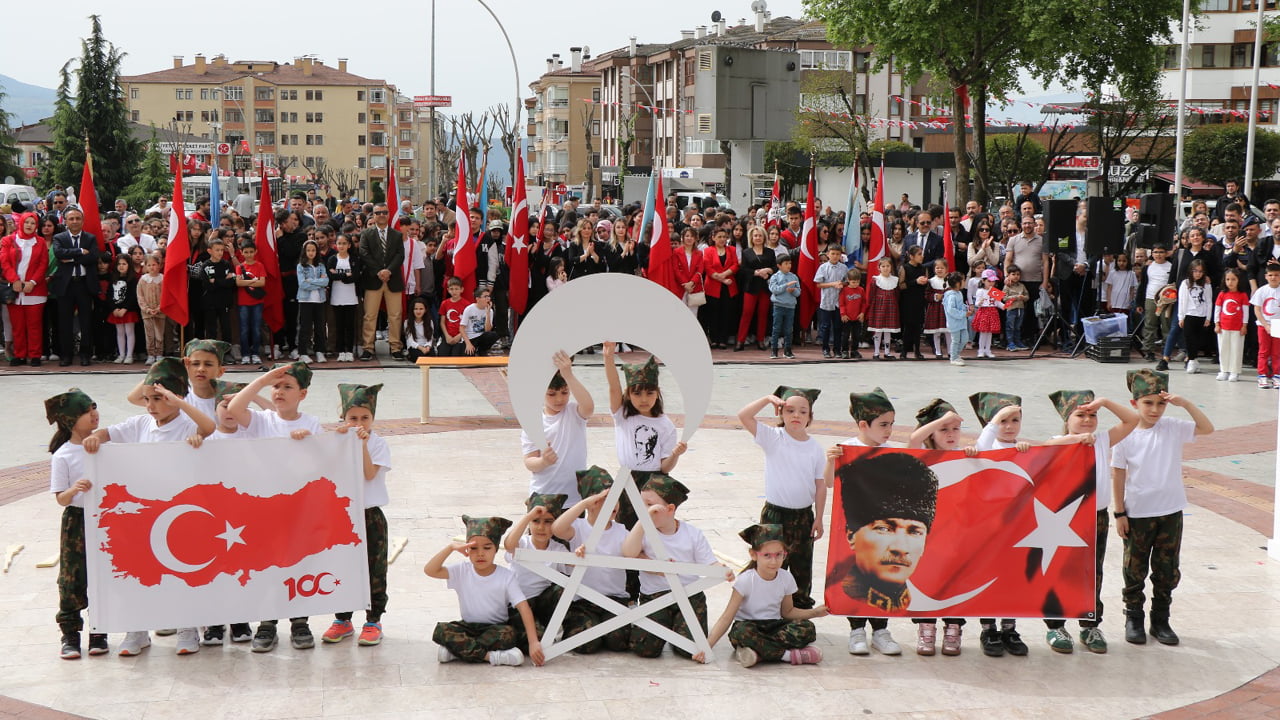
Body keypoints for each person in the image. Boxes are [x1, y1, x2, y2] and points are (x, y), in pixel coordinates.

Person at [82, 358, 215, 656]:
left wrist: (179, 404)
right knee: (140, 571)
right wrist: (95, 438)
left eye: (159, 399)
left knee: (182, 570)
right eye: (148, 399)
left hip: (179, 515)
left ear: (176, 398)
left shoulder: (188, 425)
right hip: (143, 515)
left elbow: (208, 426)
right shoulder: (140, 423)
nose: (151, 405)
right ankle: (137, 629)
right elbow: (109, 433)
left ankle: (187, 627)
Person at [1111, 369, 1214, 646]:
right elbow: (1118, 473)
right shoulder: (1125, 434)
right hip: (1138, 513)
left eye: (1160, 403)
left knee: (1167, 568)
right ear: (1134, 403)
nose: (1155, 409)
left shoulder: (1171, 426)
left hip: (1170, 510)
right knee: (1134, 568)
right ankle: (1133, 617)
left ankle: (1160, 619)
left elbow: (1207, 429)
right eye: (1148, 403)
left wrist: (1186, 404)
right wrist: (1119, 512)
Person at [226, 361, 323, 652]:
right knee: (266, 566)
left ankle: (299, 621)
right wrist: (263, 379)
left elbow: (323, 461)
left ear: (302, 394)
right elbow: (233, 410)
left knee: (298, 563)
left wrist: (309, 442)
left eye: (287, 386)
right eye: (276, 386)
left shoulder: (311, 423)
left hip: (298, 509)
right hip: (264, 509)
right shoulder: (263, 421)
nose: (279, 391)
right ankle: (267, 623)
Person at [1038, 390, 1139, 654]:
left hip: (1096, 516)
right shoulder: (1059, 441)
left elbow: (1132, 420)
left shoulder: (1102, 440)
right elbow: (1044, 449)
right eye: (1080, 415)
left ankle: (1089, 623)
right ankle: (1055, 625)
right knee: (1059, 569)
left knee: (1092, 571)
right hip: (1064, 518)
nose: (1087, 420)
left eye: (1092, 415)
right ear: (1066, 419)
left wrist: (1104, 402)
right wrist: (1073, 439)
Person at [824, 387, 904, 656]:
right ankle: (856, 629)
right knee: (856, 574)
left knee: (884, 575)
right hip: (858, 528)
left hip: (887, 529)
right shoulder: (847, 449)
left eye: (891, 424)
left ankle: (881, 630)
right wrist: (830, 461)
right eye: (883, 424)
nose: (889, 430)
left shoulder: (894, 452)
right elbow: (827, 483)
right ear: (862, 424)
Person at [623, 474, 732, 658]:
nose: (644, 510)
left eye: (650, 506)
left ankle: (677, 632)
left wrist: (721, 569)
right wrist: (644, 519)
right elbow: (628, 552)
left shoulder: (692, 534)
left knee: (689, 648)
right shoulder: (643, 531)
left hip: (690, 596)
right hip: (655, 597)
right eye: (641, 504)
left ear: (670, 509)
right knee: (645, 649)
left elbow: (709, 562)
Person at [737, 387, 826, 611]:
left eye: (803, 412)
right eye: (790, 410)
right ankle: (760, 606)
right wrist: (767, 398)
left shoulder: (815, 448)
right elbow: (744, 416)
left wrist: (820, 517)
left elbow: (820, 484)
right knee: (768, 563)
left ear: (810, 417)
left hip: (804, 516)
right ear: (781, 413)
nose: (796, 415)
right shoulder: (773, 438)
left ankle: (799, 610)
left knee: (801, 567)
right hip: (775, 515)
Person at [831, 452, 938, 631]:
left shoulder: (918, 601)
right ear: (851, 536)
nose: (901, 548)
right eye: (884, 529)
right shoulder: (845, 594)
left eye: (915, 532)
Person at [698, 524, 827, 667]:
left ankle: (758, 652)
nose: (774, 561)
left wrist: (815, 612)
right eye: (767, 555)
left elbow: (788, 612)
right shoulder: (745, 581)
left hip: (774, 626)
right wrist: (707, 645)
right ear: (753, 554)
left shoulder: (786, 578)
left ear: (785, 553)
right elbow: (726, 618)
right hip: (750, 626)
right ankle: (788, 655)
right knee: (742, 633)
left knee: (807, 628)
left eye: (779, 555)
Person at [322, 384, 391, 647]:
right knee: (343, 566)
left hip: (370, 516)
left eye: (365, 418)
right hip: (343, 517)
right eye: (353, 418)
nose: (359, 423)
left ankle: (373, 620)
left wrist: (361, 445)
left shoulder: (378, 444)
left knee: (374, 569)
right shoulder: (336, 442)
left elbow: (369, 474)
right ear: (343, 418)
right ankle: (342, 619)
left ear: (373, 418)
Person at [425, 515, 544, 666]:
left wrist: (533, 642)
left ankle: (456, 651)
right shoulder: (462, 570)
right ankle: (491, 657)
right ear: (467, 548)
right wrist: (450, 548)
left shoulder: (506, 576)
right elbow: (430, 570)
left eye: (487, 547)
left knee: (509, 634)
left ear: (495, 549)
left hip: (495, 629)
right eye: (473, 548)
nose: (480, 553)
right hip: (468, 627)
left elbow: (524, 608)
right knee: (441, 630)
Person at [906, 399, 973, 655]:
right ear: (931, 431)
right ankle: (926, 628)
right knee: (929, 579)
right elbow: (913, 441)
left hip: (958, 534)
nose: (951, 434)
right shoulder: (923, 457)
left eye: (955, 429)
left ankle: (954, 628)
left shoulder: (966, 456)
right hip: (930, 535)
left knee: (956, 581)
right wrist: (941, 420)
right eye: (944, 429)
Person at [45, 389, 107, 659]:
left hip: (105, 519)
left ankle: (100, 630)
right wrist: (73, 490)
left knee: (103, 574)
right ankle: (70, 634)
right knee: (72, 576)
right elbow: (60, 499)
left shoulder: (106, 446)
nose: (93, 414)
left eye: (94, 408)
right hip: (77, 520)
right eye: (85, 411)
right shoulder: (63, 455)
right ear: (71, 420)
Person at [969, 391, 1030, 657]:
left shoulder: (1022, 449)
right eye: (1003, 421)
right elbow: (980, 449)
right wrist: (993, 424)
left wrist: (1026, 453)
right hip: (988, 527)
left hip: (1017, 528)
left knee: (1012, 578)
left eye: (1015, 420)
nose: (1009, 426)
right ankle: (988, 628)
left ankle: (1009, 627)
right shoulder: (986, 448)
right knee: (988, 576)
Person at [551, 467, 632, 653]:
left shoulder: (621, 531)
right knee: (585, 644)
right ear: (591, 503)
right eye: (603, 499)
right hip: (582, 601)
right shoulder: (578, 528)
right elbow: (557, 528)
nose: (613, 504)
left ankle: (606, 628)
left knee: (618, 642)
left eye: (614, 498)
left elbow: (636, 550)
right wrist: (584, 504)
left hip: (615, 599)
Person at [502, 494, 570, 657]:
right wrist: (528, 516)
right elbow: (509, 545)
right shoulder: (523, 543)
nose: (541, 527)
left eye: (548, 522)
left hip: (541, 604)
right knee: (537, 642)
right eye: (536, 521)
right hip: (518, 604)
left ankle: (547, 626)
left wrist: (580, 554)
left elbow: (575, 565)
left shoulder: (557, 549)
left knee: (563, 588)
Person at [522, 351, 593, 504]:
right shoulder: (533, 422)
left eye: (564, 392)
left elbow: (588, 407)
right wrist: (543, 462)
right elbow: (529, 461)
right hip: (543, 496)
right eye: (551, 394)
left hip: (573, 499)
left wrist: (568, 375)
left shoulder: (574, 412)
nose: (559, 399)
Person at [50, 208, 99, 366]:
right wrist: (79, 252)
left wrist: (71, 259)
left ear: (82, 221)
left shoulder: (90, 238)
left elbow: (92, 257)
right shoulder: (59, 237)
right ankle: (66, 355)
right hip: (66, 285)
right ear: (66, 221)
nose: (75, 221)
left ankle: (85, 354)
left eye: (78, 218)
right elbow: (59, 253)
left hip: (84, 284)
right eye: (71, 219)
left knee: (86, 322)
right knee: (65, 322)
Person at [358, 203, 406, 361]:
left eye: (384, 212)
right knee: (370, 316)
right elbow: (364, 253)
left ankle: (395, 347)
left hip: (393, 280)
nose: (381, 215)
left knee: (395, 316)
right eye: (378, 213)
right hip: (373, 279)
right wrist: (379, 271)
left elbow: (400, 255)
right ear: (373, 215)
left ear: (389, 214)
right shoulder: (366, 233)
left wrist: (388, 271)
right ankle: (368, 348)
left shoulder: (397, 235)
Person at [1, 212, 50, 366]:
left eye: (33, 223)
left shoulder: (40, 242)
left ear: (36, 226)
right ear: (20, 223)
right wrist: (14, 280)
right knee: (17, 325)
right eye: (27, 222)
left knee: (34, 325)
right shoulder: (8, 240)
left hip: (35, 290)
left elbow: (43, 264)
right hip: (14, 290)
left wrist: (33, 282)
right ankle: (20, 354)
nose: (29, 225)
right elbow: (4, 262)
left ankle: (35, 355)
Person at [737, 226, 776, 352]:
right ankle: (740, 341)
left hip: (765, 287)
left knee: (763, 314)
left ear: (764, 237)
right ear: (751, 238)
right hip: (751, 286)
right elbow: (743, 270)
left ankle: (760, 340)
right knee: (746, 313)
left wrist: (768, 270)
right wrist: (756, 272)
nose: (758, 238)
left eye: (760, 235)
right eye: (755, 236)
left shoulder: (770, 252)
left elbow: (775, 267)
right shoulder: (746, 252)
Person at [701, 227, 740, 348]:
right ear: (713, 238)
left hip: (729, 286)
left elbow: (735, 265)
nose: (722, 239)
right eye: (719, 237)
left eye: (724, 237)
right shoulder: (708, 251)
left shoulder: (731, 249)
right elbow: (708, 268)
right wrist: (722, 279)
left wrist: (724, 274)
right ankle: (714, 339)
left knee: (726, 313)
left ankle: (723, 339)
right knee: (713, 313)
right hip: (713, 286)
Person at [327, 233, 361, 362]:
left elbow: (355, 277)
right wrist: (346, 275)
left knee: (350, 325)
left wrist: (341, 276)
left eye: (344, 243)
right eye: (339, 243)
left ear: (349, 245)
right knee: (339, 325)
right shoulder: (332, 259)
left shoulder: (353, 259)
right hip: (337, 297)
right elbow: (331, 276)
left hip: (350, 297)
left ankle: (349, 351)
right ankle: (340, 350)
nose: (341, 246)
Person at [195, 238, 236, 347]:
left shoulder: (227, 264)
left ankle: (227, 351)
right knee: (212, 329)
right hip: (210, 303)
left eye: (222, 250)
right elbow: (208, 285)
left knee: (226, 328)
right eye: (217, 250)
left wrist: (216, 281)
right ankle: (212, 351)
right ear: (210, 251)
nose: (220, 253)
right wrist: (223, 280)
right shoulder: (205, 266)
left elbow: (231, 283)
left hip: (225, 302)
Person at [1176, 259, 1214, 374]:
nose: (1198, 274)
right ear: (1191, 271)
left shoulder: (1206, 285)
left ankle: (1194, 359)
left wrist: (1208, 317)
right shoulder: (1185, 283)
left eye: (1200, 271)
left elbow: (1209, 301)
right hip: (1189, 314)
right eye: (1195, 271)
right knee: (1189, 338)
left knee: (1198, 340)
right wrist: (1181, 317)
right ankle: (1191, 360)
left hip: (1201, 315)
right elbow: (1182, 301)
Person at [234, 241, 267, 366]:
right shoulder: (239, 267)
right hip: (243, 303)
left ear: (255, 252)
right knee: (244, 329)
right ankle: (245, 354)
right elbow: (238, 283)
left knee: (256, 328)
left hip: (257, 302)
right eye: (246, 252)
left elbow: (262, 283)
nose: (249, 254)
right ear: (241, 253)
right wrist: (254, 281)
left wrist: (246, 282)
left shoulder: (259, 266)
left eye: (251, 252)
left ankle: (255, 353)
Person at [1215, 267, 1250, 382]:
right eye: (1228, 279)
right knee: (1223, 348)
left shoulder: (1243, 295)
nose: (1230, 282)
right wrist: (1217, 324)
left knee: (1236, 349)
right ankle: (1224, 370)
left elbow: (1245, 312)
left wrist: (1244, 325)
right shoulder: (1222, 294)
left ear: (1239, 280)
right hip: (1223, 327)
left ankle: (1234, 371)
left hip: (1237, 328)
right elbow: (1217, 310)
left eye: (1233, 279)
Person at [1141, 245, 1175, 361]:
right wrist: (1139, 303)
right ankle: (1149, 351)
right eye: (1155, 252)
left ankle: (1166, 351)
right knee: (1150, 324)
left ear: (1166, 253)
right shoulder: (1148, 267)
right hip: (1150, 298)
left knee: (1166, 325)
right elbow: (1143, 285)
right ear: (1152, 253)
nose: (1158, 255)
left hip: (1166, 299)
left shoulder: (1171, 266)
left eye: (1161, 252)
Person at [1250, 262, 1280, 387]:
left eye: (1277, 275)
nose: (1273, 277)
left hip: (1278, 324)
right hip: (1263, 325)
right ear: (1266, 276)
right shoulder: (1262, 291)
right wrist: (1265, 325)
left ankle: (1276, 375)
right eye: (1271, 275)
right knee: (1264, 351)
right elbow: (1257, 309)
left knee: (1277, 352)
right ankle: (1262, 376)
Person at [867, 256, 902, 360]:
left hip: (891, 307)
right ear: (879, 268)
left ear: (891, 267)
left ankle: (887, 352)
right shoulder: (875, 280)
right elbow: (871, 295)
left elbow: (897, 295)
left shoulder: (895, 280)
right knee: (878, 330)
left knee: (888, 330)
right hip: (879, 307)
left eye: (888, 266)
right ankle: (876, 352)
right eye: (883, 266)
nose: (886, 268)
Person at [768, 254, 800, 359]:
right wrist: (786, 286)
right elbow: (774, 289)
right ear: (779, 265)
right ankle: (774, 350)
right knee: (776, 328)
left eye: (790, 263)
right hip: (778, 306)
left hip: (790, 306)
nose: (789, 265)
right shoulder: (775, 277)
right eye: (786, 264)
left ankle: (788, 350)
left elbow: (799, 292)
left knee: (788, 329)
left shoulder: (794, 277)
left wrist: (793, 290)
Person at [137, 255, 164, 363]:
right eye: (149, 265)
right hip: (146, 313)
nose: (152, 267)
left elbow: (165, 296)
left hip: (160, 312)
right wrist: (146, 309)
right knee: (149, 334)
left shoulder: (163, 278)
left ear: (159, 265)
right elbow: (140, 296)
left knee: (159, 334)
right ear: (146, 266)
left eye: (154, 265)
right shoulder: (143, 280)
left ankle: (159, 354)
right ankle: (151, 354)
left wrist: (159, 308)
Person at [942, 272, 972, 366]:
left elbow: (959, 305)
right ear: (957, 283)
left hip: (961, 322)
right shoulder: (951, 295)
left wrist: (966, 308)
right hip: (954, 322)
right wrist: (963, 314)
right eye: (963, 280)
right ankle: (953, 357)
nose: (964, 282)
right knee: (955, 340)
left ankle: (956, 354)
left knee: (964, 339)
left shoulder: (959, 293)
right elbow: (951, 310)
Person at [972, 268, 1003, 359]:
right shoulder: (980, 291)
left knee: (989, 333)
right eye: (989, 281)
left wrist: (1004, 306)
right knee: (983, 333)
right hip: (984, 312)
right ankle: (981, 350)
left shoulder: (994, 291)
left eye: (993, 281)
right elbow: (977, 303)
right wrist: (980, 303)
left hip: (992, 312)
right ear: (983, 280)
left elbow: (998, 302)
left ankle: (988, 350)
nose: (991, 283)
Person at [837, 267, 866, 360]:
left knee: (856, 335)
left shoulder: (861, 290)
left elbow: (864, 303)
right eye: (853, 282)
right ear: (848, 280)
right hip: (847, 318)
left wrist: (862, 313)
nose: (855, 284)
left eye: (857, 282)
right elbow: (841, 304)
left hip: (857, 317)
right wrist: (843, 314)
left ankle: (854, 350)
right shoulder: (844, 290)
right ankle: (844, 350)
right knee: (845, 335)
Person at [923, 259, 950, 358]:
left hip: (947, 309)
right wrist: (934, 296)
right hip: (935, 308)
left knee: (948, 331)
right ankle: (938, 350)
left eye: (942, 268)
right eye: (937, 268)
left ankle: (950, 351)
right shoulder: (931, 281)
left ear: (946, 269)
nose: (939, 270)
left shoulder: (950, 281)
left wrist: (945, 296)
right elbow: (927, 294)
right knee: (936, 331)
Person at [437, 277, 469, 356]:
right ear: (448, 290)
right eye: (451, 289)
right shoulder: (445, 303)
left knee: (456, 356)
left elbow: (468, 324)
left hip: (460, 335)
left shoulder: (466, 304)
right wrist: (447, 336)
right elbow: (442, 322)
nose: (454, 291)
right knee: (442, 355)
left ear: (462, 289)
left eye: (456, 289)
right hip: (448, 335)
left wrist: (459, 336)